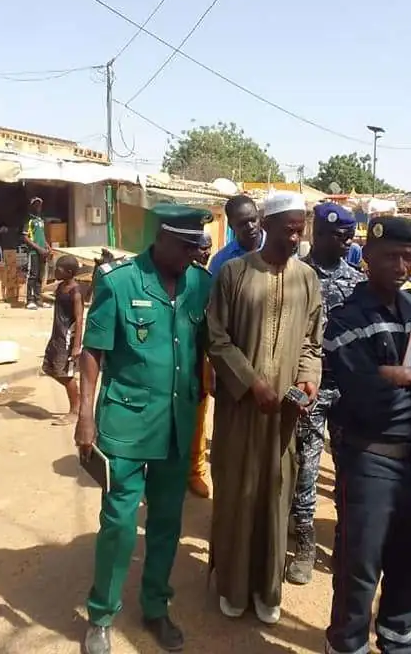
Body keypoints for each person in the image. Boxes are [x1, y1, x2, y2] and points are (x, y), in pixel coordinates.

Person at [324, 216, 411, 654]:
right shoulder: (345, 321)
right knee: (360, 565)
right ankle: (347, 645)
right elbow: (370, 399)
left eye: (410, 257)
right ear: (367, 257)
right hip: (371, 458)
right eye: (391, 256)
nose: (402, 265)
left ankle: (398, 642)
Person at [75, 204, 214, 654]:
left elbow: (207, 349)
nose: (195, 254)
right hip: (126, 422)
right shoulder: (118, 281)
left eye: (198, 246)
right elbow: (93, 350)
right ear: (164, 238)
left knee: (167, 524)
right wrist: (85, 415)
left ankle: (155, 606)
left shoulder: (200, 284)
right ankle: (101, 615)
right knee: (118, 522)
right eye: (188, 245)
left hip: (177, 425)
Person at [206, 191, 323, 624]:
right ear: (268, 225)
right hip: (241, 409)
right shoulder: (234, 273)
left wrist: (308, 381)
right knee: (237, 493)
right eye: (288, 228)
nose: (295, 237)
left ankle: (267, 590)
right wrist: (252, 383)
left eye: (300, 229)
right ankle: (234, 587)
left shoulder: (307, 278)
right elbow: (216, 338)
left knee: (276, 496)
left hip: (284, 416)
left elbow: (313, 340)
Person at [286, 202, 364, 586]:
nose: (346, 240)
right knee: (306, 469)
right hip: (310, 387)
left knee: (350, 470)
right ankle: (303, 542)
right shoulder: (295, 275)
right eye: (338, 234)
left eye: (349, 234)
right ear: (316, 233)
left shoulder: (356, 280)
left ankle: (346, 542)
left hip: (348, 390)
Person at [41, 254, 84, 425]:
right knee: (48, 368)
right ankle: (78, 397)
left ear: (69, 272)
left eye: (58, 268)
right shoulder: (60, 287)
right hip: (56, 336)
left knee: (65, 375)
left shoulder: (75, 292)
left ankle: (75, 410)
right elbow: (43, 288)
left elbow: (80, 319)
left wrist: (76, 346)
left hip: (67, 338)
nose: (55, 270)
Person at [189, 230, 214, 498]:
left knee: (198, 425)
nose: (205, 254)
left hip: (199, 364)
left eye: (208, 249)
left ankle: (195, 472)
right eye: (200, 249)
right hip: (171, 367)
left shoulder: (207, 282)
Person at [208, 194, 264, 276]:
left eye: (253, 220)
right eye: (243, 223)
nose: (250, 226)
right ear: (231, 225)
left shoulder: (280, 249)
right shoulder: (221, 261)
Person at [22, 195, 51, 309]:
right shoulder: (28, 220)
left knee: (40, 276)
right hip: (34, 252)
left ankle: (39, 300)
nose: (38, 206)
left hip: (43, 252)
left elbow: (41, 236)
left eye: (40, 204)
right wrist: (39, 249)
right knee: (32, 276)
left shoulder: (40, 220)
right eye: (36, 204)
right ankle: (29, 300)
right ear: (32, 206)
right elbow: (25, 237)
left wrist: (47, 246)